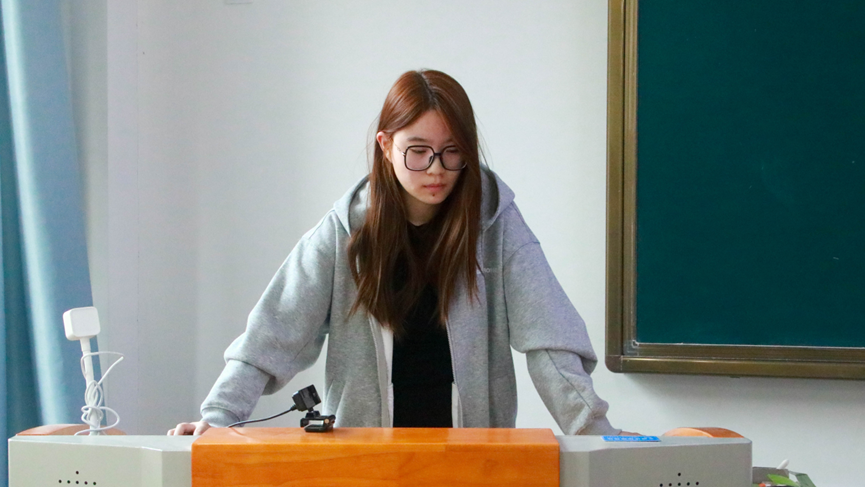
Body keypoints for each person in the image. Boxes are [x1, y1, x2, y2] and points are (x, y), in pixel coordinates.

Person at [169, 69, 621, 436]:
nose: (437, 170)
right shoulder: (344, 231)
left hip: (471, 460)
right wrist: (220, 415)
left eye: (452, 152)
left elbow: (549, 338)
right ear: (386, 146)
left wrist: (596, 433)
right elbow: (273, 332)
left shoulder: (495, 222)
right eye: (418, 152)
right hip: (367, 462)